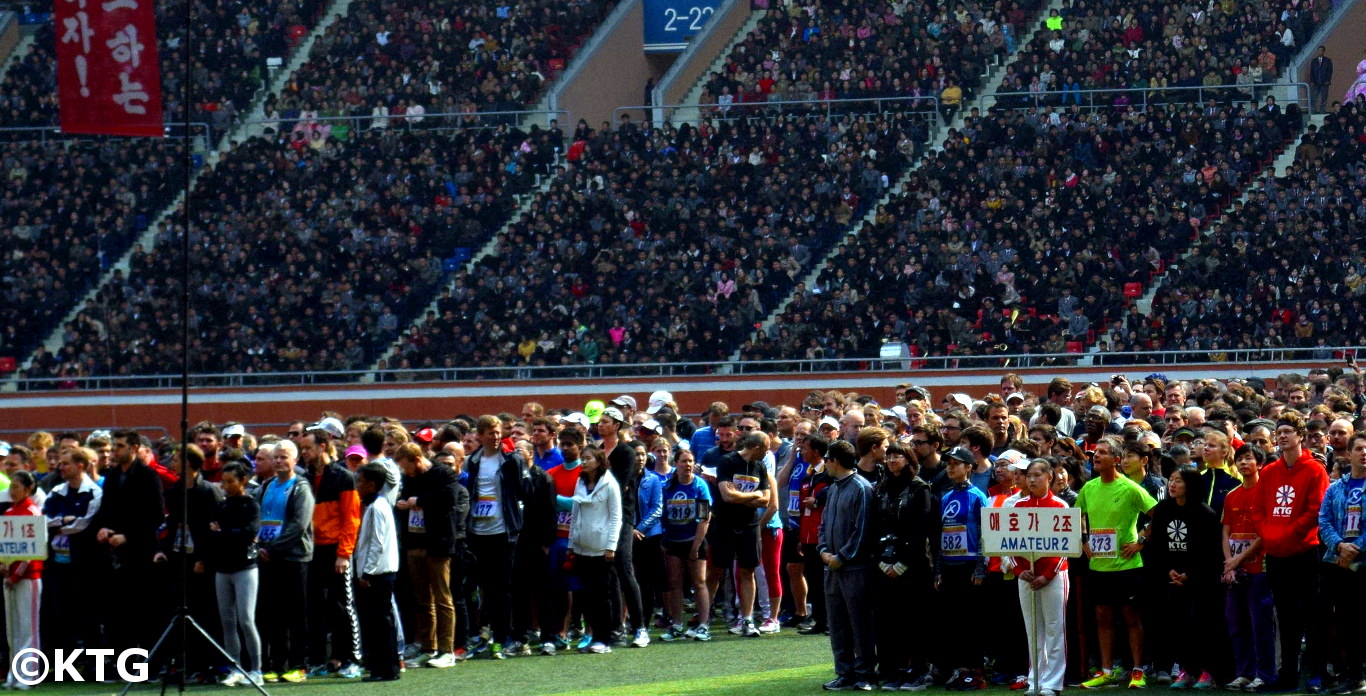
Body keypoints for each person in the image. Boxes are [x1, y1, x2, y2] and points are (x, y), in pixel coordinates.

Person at [1256, 412, 1329, 693]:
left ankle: (1317, 674)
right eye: (1280, 431)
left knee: (1313, 616)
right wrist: (1269, 535)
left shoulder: (1314, 470)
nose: (1283, 435)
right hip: (1276, 555)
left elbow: (1314, 511)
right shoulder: (1270, 472)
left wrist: (1285, 534)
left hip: (1305, 554)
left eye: (1288, 431)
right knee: (1285, 618)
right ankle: (1287, 675)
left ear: (1300, 436)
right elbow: (1259, 509)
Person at [1078, 435, 1157, 689]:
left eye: (1102, 452)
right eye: (1094, 454)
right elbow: (1078, 514)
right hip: (1098, 566)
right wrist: (1084, 540)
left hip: (1127, 566)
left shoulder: (1131, 488)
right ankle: (1107, 670)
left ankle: (1137, 670)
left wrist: (1140, 543)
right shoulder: (1089, 487)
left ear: (1117, 459)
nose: (1096, 457)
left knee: (1131, 617)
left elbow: (1157, 514)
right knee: (1102, 617)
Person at [1145, 465, 1221, 689]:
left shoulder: (1205, 514)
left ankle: (1207, 672)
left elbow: (1210, 552)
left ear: (1191, 484)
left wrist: (1191, 574)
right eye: (1171, 480)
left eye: (1178, 480)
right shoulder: (1163, 510)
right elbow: (1157, 545)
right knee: (1178, 627)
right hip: (1170, 578)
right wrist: (1169, 570)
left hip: (1200, 581)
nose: (1172, 485)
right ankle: (1187, 670)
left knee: (1202, 625)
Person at [92, 430, 165, 655]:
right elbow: (107, 508)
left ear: (133, 448)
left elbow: (155, 515)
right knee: (119, 609)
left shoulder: (148, 476)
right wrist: (103, 527)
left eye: (120, 446)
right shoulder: (113, 476)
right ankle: (122, 659)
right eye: (114, 446)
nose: (115, 451)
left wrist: (129, 536)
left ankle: (149, 661)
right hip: (116, 552)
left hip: (141, 551)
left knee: (143, 608)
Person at [872, 441, 938, 690]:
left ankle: (918, 670)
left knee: (915, 621)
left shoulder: (919, 488)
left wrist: (903, 562)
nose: (891, 461)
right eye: (888, 456)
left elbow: (921, 529)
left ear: (909, 460)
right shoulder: (881, 488)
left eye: (897, 456)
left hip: (913, 566)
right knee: (888, 621)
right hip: (883, 564)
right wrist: (881, 560)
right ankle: (892, 670)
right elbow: (876, 526)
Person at [156, 443, 225, 680]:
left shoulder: (208, 492)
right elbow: (171, 524)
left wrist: (205, 558)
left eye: (176, 460)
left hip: (201, 561)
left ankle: (210, 664)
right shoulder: (175, 492)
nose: (172, 464)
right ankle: (186, 662)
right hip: (178, 557)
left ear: (188, 463)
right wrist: (162, 550)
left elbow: (215, 529)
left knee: (205, 611)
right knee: (179, 610)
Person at [465, 415, 532, 659]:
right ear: (480, 436)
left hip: (504, 531)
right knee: (485, 587)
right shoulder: (473, 461)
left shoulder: (511, 459)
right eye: (489, 433)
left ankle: (505, 638)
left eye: (497, 432)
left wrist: (523, 471)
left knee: (504, 587)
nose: (494, 437)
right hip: (479, 530)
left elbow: (526, 491)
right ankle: (487, 634)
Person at [299, 427, 362, 678]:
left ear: (322, 447)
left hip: (335, 549)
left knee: (342, 606)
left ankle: (351, 658)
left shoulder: (343, 477)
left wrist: (344, 553)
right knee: (314, 606)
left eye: (308, 448)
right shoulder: (304, 477)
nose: (304, 453)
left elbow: (352, 518)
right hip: (310, 550)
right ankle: (319, 660)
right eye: (302, 449)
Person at [394, 442, 462, 668]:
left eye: (407, 467)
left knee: (443, 598)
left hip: (438, 544)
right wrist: (403, 504)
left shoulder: (443, 474)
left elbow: (449, 500)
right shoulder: (409, 479)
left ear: (416, 459)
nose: (406, 472)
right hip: (414, 542)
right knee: (422, 599)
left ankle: (447, 650)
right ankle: (427, 646)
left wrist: (419, 502)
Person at [819, 439, 878, 692]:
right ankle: (844, 673)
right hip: (831, 568)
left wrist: (841, 557)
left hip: (855, 569)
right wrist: (823, 550)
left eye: (827, 460)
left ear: (835, 461)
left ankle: (865, 673)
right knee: (838, 623)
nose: (825, 464)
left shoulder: (861, 488)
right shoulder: (833, 488)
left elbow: (863, 530)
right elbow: (823, 525)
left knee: (860, 623)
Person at [1011, 459, 1070, 696]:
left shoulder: (1060, 506)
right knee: (1033, 629)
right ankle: (1035, 679)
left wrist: (1047, 575)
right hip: (1026, 576)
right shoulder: (1018, 507)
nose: (1032, 479)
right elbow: (1008, 543)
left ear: (1049, 477)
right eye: (1029, 475)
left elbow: (1064, 545)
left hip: (1053, 576)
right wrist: (1018, 570)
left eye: (1037, 475)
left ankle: (1053, 682)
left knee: (1055, 627)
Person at [257, 440, 314, 683]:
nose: (280, 461)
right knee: (273, 613)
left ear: (295, 460)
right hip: (268, 558)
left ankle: (299, 664)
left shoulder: (300, 487)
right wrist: (260, 547)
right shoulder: (267, 486)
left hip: (293, 557)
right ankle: (277, 663)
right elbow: (258, 516)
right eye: (276, 457)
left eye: (284, 457)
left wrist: (274, 548)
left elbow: (298, 525)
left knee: (295, 612)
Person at [708, 431, 773, 638]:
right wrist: (753, 495)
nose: (767, 453)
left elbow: (765, 500)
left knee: (748, 571)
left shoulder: (760, 467)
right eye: (765, 448)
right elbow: (727, 496)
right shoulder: (727, 462)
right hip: (725, 523)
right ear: (757, 447)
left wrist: (742, 496)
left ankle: (747, 619)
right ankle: (703, 618)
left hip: (749, 525)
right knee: (716, 570)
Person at [41, 446, 102, 663]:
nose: (60, 467)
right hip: (58, 565)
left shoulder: (94, 492)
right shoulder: (57, 492)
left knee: (88, 616)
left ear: (80, 466)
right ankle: (65, 666)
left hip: (84, 564)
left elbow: (82, 523)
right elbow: (44, 519)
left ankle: (96, 664)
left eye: (65, 463)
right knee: (61, 616)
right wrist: (63, 520)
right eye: (59, 463)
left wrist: (64, 522)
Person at [937, 443, 990, 690]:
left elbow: (983, 534)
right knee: (954, 621)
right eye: (948, 464)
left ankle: (975, 670)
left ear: (969, 467)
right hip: (949, 565)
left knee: (972, 621)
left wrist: (980, 568)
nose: (951, 468)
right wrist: (938, 569)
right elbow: (941, 534)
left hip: (969, 566)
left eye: (956, 464)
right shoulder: (946, 497)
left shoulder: (977, 496)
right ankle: (960, 669)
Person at [1317, 432, 1366, 694]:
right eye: (1359, 448)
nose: (1364, 453)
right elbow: (1323, 521)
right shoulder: (1336, 488)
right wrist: (1339, 545)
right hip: (1338, 563)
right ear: (1349, 453)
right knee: (1346, 621)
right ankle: (1353, 674)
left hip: (1362, 561)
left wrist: (1356, 547)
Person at [1222, 445, 1274, 692]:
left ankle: (1264, 674)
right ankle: (1244, 672)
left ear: (1259, 464)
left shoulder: (1267, 493)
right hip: (1234, 571)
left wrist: (1238, 559)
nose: (1243, 463)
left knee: (1260, 625)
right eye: (1240, 459)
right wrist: (1229, 564)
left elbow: (1264, 534)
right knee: (1236, 624)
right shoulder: (1232, 495)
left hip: (1258, 569)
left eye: (1249, 459)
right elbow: (1226, 531)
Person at [210, 461, 263, 687]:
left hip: (245, 568)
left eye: (231, 482)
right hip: (223, 568)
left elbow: (249, 532)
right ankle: (235, 666)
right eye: (224, 482)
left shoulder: (250, 505)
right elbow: (214, 532)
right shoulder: (222, 506)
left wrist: (224, 533)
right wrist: (225, 534)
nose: (226, 486)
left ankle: (256, 669)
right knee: (227, 621)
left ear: (242, 481)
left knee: (246, 619)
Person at [568, 447, 622, 655]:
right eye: (583, 458)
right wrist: (571, 543)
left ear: (599, 461)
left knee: (601, 596)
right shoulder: (580, 482)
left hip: (601, 549)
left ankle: (604, 639)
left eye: (588, 458)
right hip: (582, 547)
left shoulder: (610, 484)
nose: (584, 462)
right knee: (585, 596)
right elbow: (575, 513)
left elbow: (616, 517)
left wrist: (611, 546)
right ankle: (592, 638)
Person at [659, 447, 713, 642]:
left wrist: (696, 545)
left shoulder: (700, 486)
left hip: (694, 539)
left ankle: (704, 625)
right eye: (683, 461)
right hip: (673, 540)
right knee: (674, 584)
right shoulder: (668, 486)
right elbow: (663, 514)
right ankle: (676, 624)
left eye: (690, 461)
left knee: (699, 582)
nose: (687, 465)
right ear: (676, 464)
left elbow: (705, 517)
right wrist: (664, 539)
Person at [354, 462, 401, 682]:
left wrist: (367, 573)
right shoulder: (376, 505)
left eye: (361, 481)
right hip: (377, 572)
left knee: (380, 622)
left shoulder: (377, 507)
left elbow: (377, 543)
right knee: (378, 621)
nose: (357, 485)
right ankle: (382, 666)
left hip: (378, 574)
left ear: (372, 485)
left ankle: (386, 668)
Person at [4, 471, 42, 691]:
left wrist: (16, 573)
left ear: (28, 489)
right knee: (13, 628)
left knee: (28, 627)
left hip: (28, 577)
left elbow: (32, 551)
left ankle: (28, 674)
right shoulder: (10, 511)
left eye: (17, 486)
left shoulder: (31, 511)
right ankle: (13, 673)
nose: (12, 490)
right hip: (10, 577)